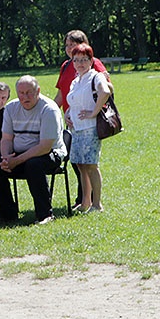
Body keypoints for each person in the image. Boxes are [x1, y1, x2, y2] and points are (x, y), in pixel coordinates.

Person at [0, 75, 67, 224]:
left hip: (49, 153)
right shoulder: (11, 108)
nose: (25, 97)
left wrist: (16, 161)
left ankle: (45, 214)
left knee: (33, 165)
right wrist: (6, 159)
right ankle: (7, 214)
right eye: (21, 93)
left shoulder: (49, 109)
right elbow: (6, 139)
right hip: (19, 153)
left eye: (29, 92)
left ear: (38, 91)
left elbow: (45, 146)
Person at [54, 30, 109, 211]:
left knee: (91, 165)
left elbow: (106, 90)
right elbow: (66, 96)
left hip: (90, 127)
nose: (79, 62)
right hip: (75, 128)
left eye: (83, 59)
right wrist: (64, 114)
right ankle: (85, 202)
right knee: (80, 165)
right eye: (76, 59)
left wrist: (94, 111)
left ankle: (96, 203)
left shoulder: (95, 72)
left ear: (90, 60)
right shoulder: (73, 76)